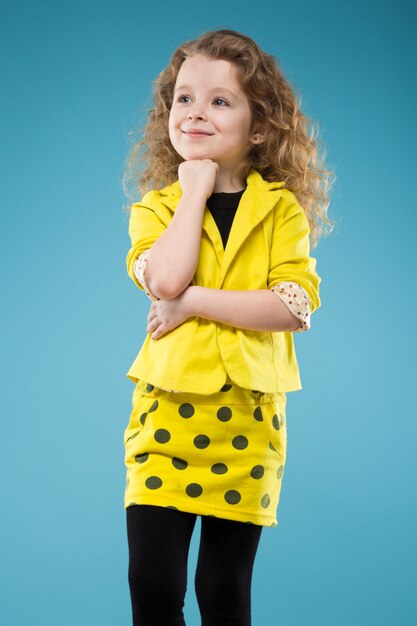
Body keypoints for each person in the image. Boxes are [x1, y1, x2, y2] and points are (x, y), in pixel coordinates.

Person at [122, 28, 335, 626]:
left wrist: (192, 304)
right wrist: (193, 191)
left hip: (247, 419)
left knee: (222, 588)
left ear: (260, 126)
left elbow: (293, 306)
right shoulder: (156, 208)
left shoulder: (280, 211)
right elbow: (163, 279)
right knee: (152, 581)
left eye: (220, 100)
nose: (195, 112)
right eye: (183, 98)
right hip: (165, 416)